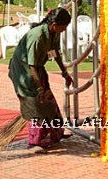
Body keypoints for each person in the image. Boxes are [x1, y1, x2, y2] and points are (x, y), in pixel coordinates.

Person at [7, 8, 74, 150]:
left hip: (38, 69)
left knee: (49, 102)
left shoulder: (54, 33)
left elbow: (55, 53)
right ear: (54, 24)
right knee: (35, 105)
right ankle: (35, 142)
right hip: (24, 73)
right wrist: (39, 89)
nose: (64, 30)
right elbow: (32, 66)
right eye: (63, 27)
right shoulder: (37, 36)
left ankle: (56, 134)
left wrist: (65, 73)